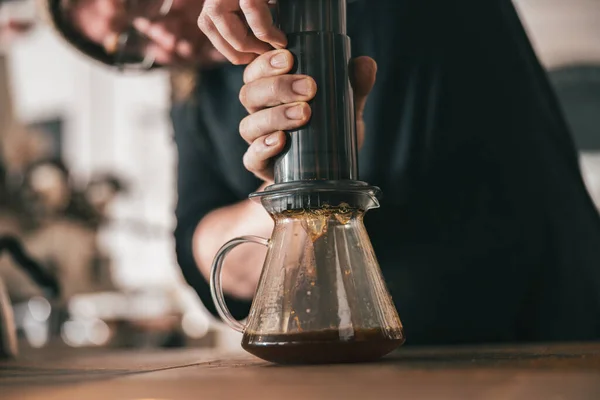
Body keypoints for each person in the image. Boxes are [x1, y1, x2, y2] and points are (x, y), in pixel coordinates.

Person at [43, 0, 600, 345]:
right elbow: (200, 248)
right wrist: (285, 193)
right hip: (391, 364)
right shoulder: (194, 96)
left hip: (549, 317)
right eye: (128, 43)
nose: (159, 35)